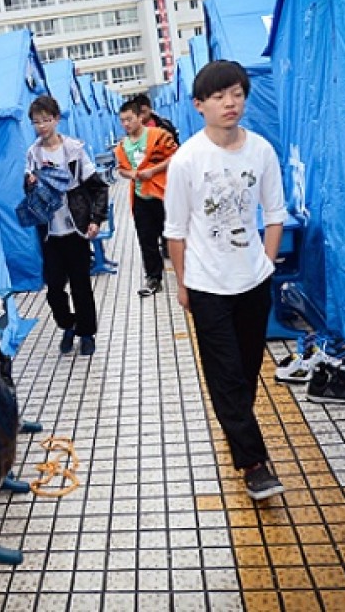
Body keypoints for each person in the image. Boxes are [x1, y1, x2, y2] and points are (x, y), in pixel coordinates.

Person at [163, 60, 288, 501]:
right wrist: (183, 283)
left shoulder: (262, 151)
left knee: (248, 370)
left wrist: (267, 263)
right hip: (207, 284)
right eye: (218, 96)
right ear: (199, 106)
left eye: (236, 93)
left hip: (254, 281)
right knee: (226, 374)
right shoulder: (187, 160)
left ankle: (237, 427)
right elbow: (174, 230)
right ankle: (254, 463)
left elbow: (275, 213)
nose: (229, 103)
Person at [24, 94, 109, 356]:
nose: (42, 126)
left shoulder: (73, 149)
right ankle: (67, 324)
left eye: (46, 120)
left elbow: (98, 188)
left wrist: (94, 220)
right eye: (36, 122)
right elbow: (28, 193)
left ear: (57, 119)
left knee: (81, 284)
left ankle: (86, 333)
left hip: (75, 229)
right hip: (50, 233)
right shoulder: (33, 153)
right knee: (54, 288)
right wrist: (30, 185)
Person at [115, 99, 178, 297]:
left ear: (140, 117)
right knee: (146, 239)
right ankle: (153, 278)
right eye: (122, 121)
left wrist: (154, 171)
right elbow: (121, 169)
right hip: (140, 196)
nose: (126, 124)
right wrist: (131, 174)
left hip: (162, 193)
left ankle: (186, 272)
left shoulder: (158, 136)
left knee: (174, 235)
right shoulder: (122, 146)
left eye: (129, 119)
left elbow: (176, 156)